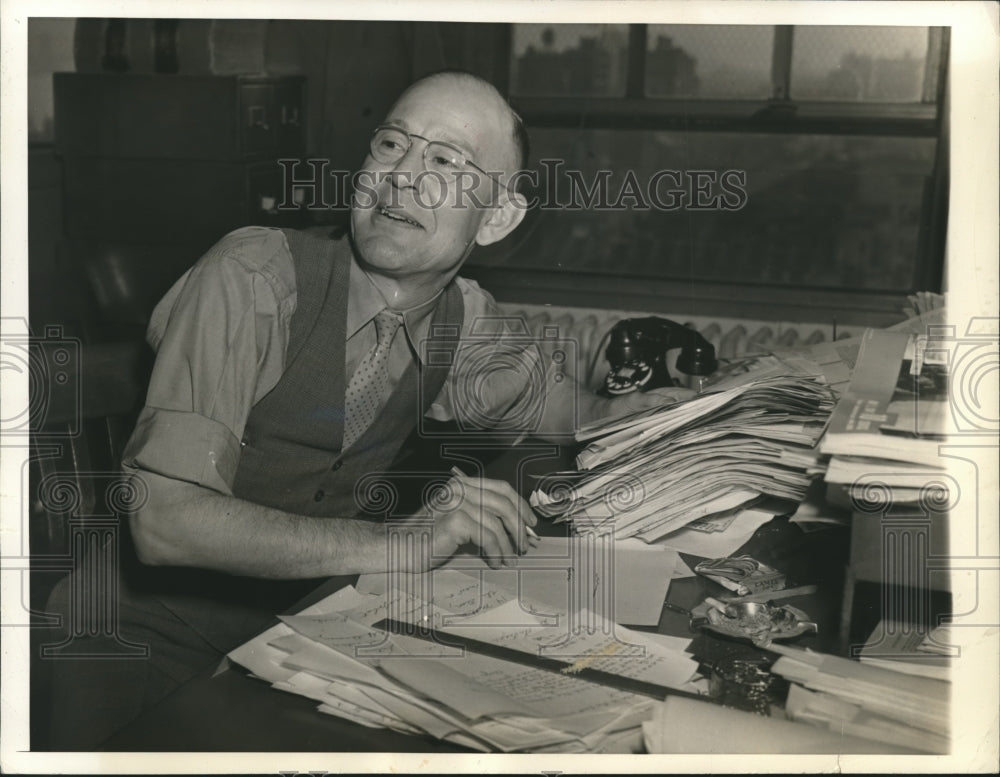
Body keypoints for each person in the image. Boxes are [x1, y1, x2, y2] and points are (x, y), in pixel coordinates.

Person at [43, 70, 690, 749]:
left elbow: (561, 408)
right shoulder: (253, 276)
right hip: (141, 645)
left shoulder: (460, 316)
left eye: (444, 161)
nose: (401, 176)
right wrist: (400, 544)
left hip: (302, 635)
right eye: (389, 145)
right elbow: (165, 520)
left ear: (498, 217)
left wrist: (683, 409)